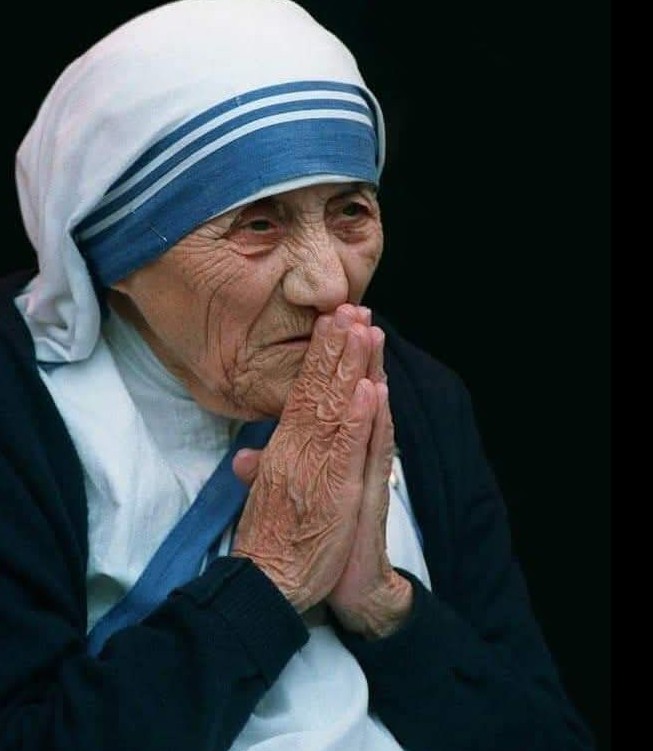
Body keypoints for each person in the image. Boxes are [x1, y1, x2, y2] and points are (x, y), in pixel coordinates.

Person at [0, 1, 597, 749]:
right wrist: (269, 580)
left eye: (350, 213)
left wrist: (383, 606)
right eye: (258, 223)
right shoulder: (21, 410)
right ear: (116, 254)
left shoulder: (418, 399)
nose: (330, 284)